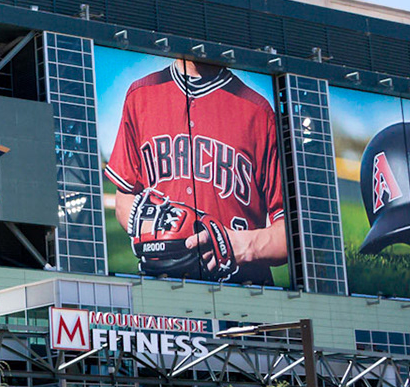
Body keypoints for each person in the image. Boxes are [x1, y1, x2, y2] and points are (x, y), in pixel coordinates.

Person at [104, 59, 288, 283]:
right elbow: (125, 195)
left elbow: (291, 235)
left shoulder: (257, 111)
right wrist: (158, 237)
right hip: (164, 290)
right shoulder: (141, 94)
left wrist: (239, 246)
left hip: (243, 293)